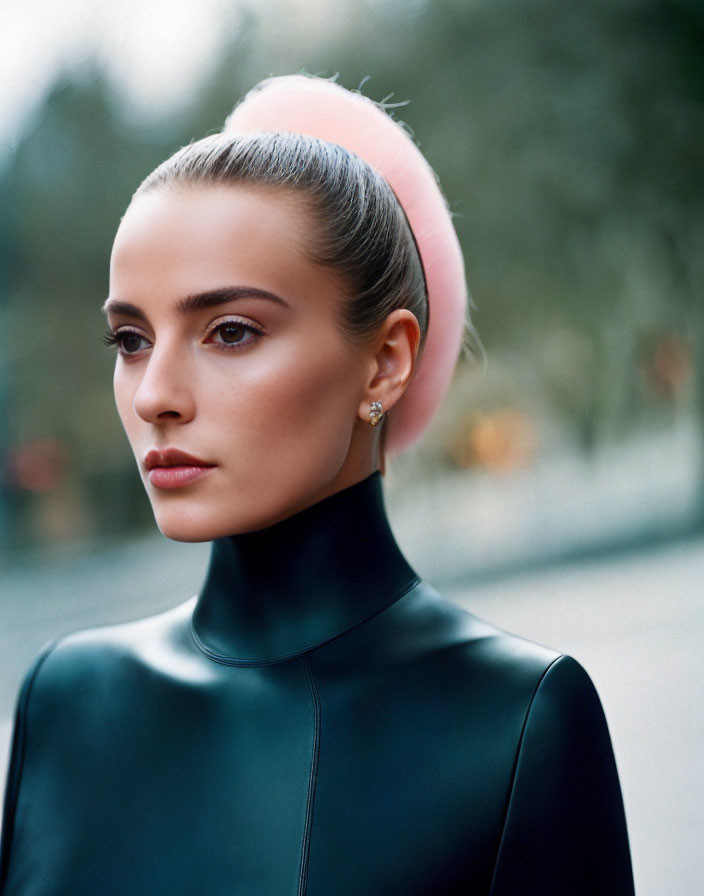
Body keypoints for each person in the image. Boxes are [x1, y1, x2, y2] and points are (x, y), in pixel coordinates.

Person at [0, 75, 634, 895]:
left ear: (386, 360)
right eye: (130, 339)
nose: (154, 392)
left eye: (230, 331)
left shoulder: (519, 722)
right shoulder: (65, 700)